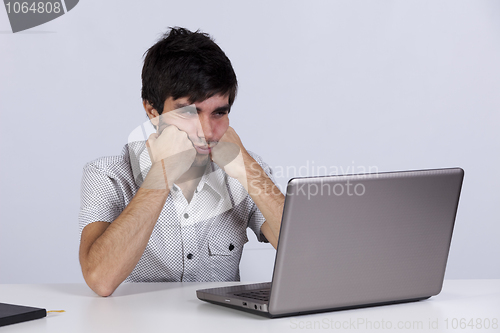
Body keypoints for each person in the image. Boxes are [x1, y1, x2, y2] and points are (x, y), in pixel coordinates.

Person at [78, 27, 284, 297]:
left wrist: (246, 168)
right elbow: (100, 280)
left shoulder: (247, 170)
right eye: (189, 112)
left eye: (219, 113)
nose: (207, 131)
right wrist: (162, 174)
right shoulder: (107, 174)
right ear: (153, 112)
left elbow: (309, 255)